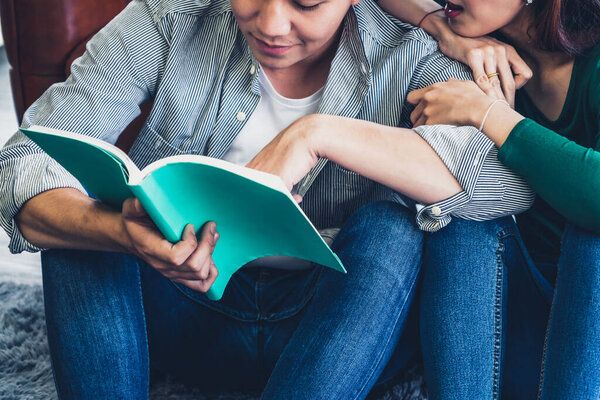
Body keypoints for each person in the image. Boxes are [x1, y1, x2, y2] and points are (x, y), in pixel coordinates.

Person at [0, 0, 532, 398]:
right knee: (81, 215)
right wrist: (118, 233)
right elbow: (23, 158)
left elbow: (477, 180)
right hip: (184, 308)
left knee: (392, 227)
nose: (272, 24)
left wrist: (314, 135)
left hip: (336, 328)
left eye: (307, 2)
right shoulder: (170, 16)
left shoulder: (417, 46)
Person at [378, 0, 600, 398]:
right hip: (515, 332)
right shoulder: (476, 52)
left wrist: (489, 115)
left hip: (589, 350)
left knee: (592, 236)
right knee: (461, 213)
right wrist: (444, 33)